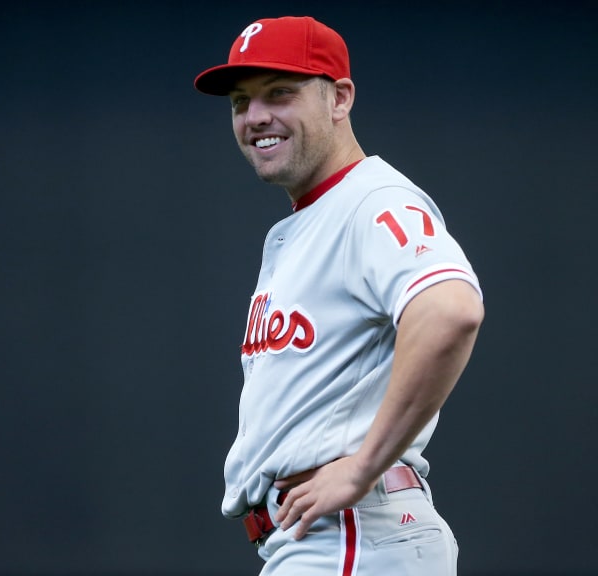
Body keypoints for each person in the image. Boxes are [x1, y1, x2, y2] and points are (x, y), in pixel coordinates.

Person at [193, 15, 484, 576]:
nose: (256, 117)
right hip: (326, 540)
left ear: (340, 98)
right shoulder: (313, 218)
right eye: (240, 101)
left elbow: (451, 309)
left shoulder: (373, 202)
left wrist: (362, 467)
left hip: (353, 536)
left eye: (280, 92)